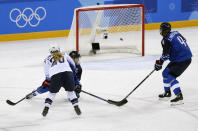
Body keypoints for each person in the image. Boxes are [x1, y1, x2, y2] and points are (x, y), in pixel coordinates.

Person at [154, 22, 192, 105]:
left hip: (183, 60)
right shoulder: (176, 33)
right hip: (179, 58)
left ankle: (179, 96)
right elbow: (183, 41)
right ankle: (167, 93)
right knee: (165, 73)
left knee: (170, 76)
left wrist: (159, 62)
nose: (163, 33)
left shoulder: (166, 40)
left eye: (164, 31)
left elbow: (166, 55)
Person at [41, 44, 81, 116]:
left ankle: (46, 107)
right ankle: (76, 106)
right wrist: (72, 72)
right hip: (68, 74)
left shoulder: (47, 59)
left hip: (55, 75)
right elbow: (72, 64)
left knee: (52, 93)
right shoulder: (64, 54)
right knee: (71, 92)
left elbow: (46, 71)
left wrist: (48, 80)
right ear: (59, 49)